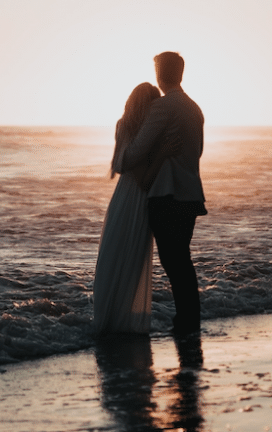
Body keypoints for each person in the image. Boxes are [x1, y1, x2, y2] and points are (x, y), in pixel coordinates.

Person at [121, 52, 206, 335]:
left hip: (166, 195)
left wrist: (126, 141)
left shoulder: (163, 107)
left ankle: (186, 323)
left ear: (160, 73)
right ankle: (189, 321)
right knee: (182, 260)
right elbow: (198, 152)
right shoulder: (194, 108)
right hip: (191, 194)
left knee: (174, 263)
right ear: (180, 73)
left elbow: (135, 153)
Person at [93, 82, 179, 334]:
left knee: (118, 255)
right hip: (138, 197)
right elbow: (134, 172)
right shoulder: (135, 130)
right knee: (127, 257)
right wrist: (160, 154)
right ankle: (118, 320)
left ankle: (111, 318)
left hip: (126, 196)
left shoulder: (134, 127)